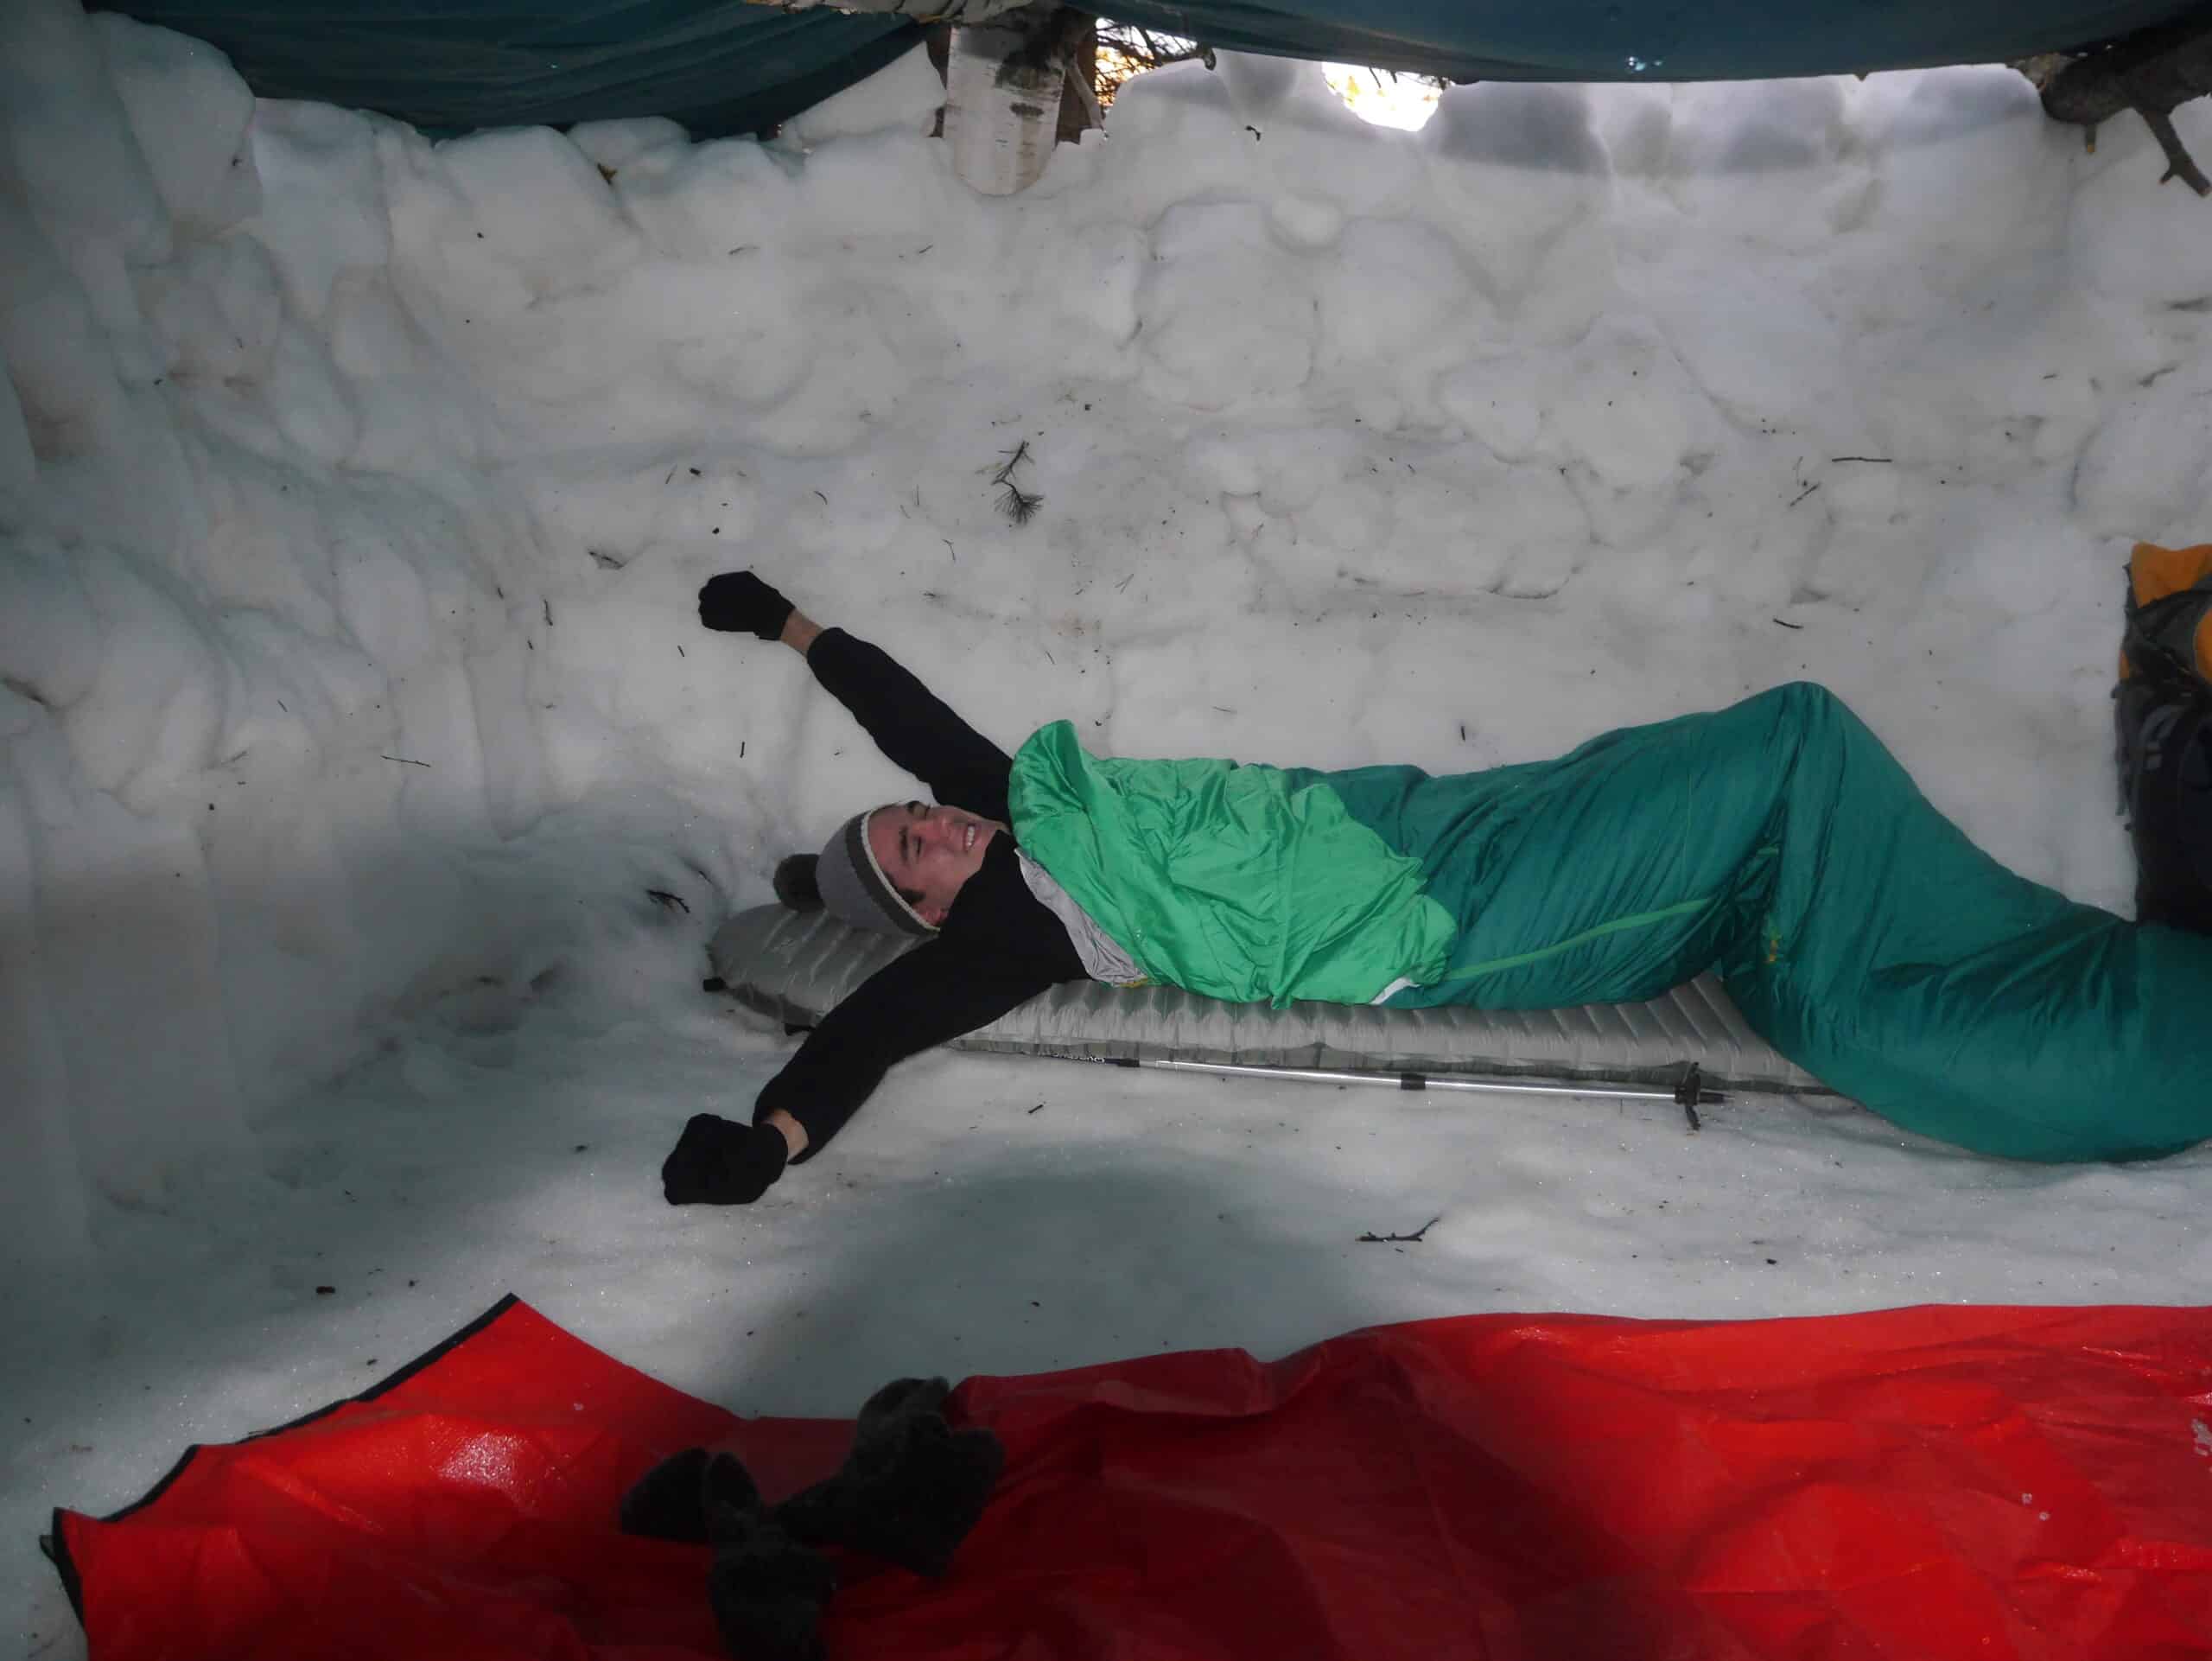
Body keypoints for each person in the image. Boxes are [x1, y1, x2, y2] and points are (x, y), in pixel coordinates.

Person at [660, 571, 2212, 1206]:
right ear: (928, 914)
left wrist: (785, 623)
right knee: (1789, 757)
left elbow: (896, 700)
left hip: (1426, 824)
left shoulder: (1013, 800)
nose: (928, 830)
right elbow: (867, 1030)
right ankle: (2134, 1025)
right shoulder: (998, 943)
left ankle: (2090, 983)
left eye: (910, 820)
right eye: (907, 859)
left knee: (1777, 782)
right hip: (1447, 923)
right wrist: (770, 1139)